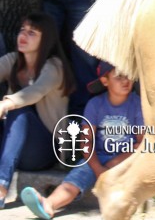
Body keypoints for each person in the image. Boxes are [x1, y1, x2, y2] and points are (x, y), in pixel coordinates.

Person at [19, 62, 143, 219]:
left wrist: (113, 164)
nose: (126, 80)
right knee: (76, 179)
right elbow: (86, 142)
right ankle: (48, 204)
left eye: (128, 75)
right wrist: (98, 168)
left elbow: (141, 143)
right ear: (105, 81)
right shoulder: (95, 104)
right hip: (96, 157)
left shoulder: (137, 104)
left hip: (126, 158)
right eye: (119, 77)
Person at [0, 13, 74, 207]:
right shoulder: (13, 60)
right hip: (13, 146)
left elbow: (34, 92)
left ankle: (1, 188)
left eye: (32, 33)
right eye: (22, 30)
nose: (23, 35)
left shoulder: (54, 67)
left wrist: (5, 103)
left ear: (46, 40)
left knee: (17, 111)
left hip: (44, 150)